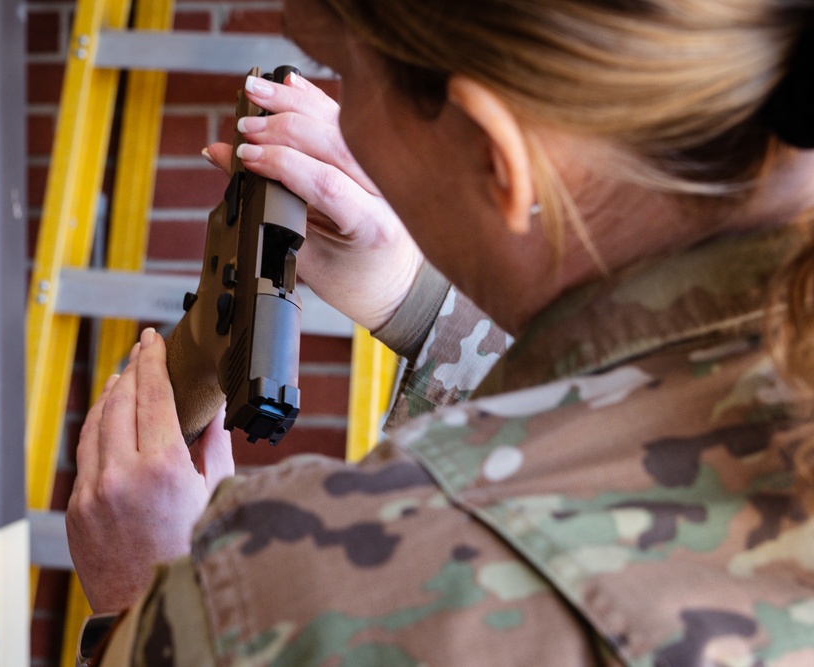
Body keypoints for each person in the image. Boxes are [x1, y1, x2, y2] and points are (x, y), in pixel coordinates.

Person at [65, 0, 814, 664]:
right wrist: (423, 305)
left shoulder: (285, 597)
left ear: (495, 151)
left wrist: (150, 614)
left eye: (346, 79)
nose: (338, 116)